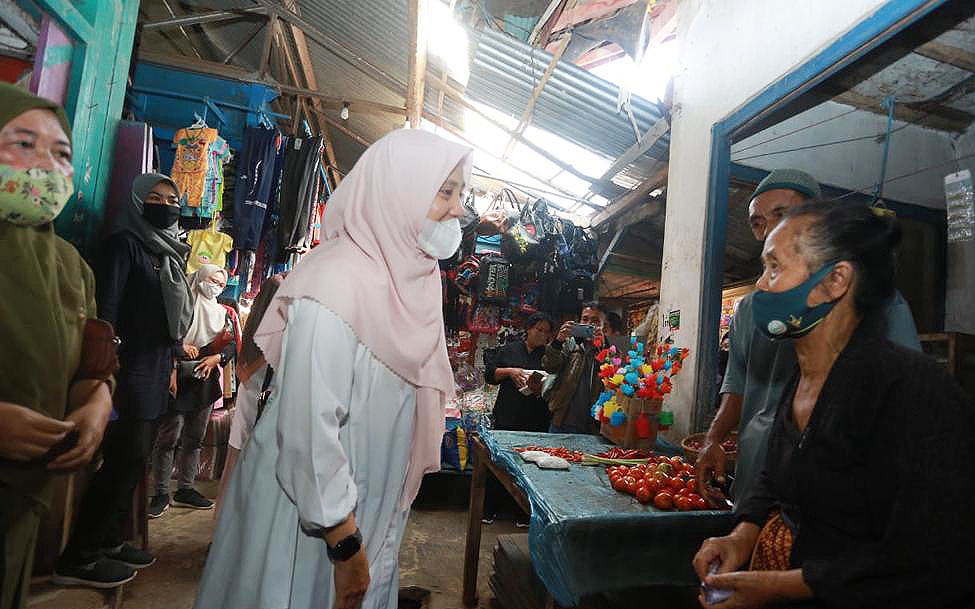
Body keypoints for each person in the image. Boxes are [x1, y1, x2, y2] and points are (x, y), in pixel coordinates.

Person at [193, 128, 471, 609]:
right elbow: (308, 429)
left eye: (460, 194)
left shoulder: (417, 283)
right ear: (397, 189)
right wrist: (345, 543)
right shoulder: (334, 282)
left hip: (370, 505)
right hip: (310, 519)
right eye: (445, 192)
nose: (458, 209)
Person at [692, 202, 975, 609]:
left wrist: (779, 587)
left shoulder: (912, 390)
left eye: (774, 267)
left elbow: (933, 557)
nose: (761, 285)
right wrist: (742, 535)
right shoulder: (802, 378)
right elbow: (779, 476)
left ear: (835, 281)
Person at [695, 169, 920, 506]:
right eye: (758, 222)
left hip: (836, 499)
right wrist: (713, 439)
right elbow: (738, 385)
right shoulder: (752, 311)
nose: (771, 230)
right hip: (759, 476)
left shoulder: (876, 306)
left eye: (782, 215)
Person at [0, 84, 114, 609]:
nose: (45, 164)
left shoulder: (72, 267)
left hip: (21, 508)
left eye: (61, 153)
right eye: (23, 143)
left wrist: (96, 403)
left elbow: (92, 365)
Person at [55, 172, 193, 587]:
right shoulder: (124, 244)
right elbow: (108, 309)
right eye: (155, 197)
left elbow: (171, 324)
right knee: (122, 457)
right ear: (137, 201)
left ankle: (111, 539)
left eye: (172, 199)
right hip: (126, 369)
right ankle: (78, 557)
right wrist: (104, 371)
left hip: (154, 369)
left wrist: (170, 365)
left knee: (137, 458)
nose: (166, 204)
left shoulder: (169, 253)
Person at [149, 264, 235, 516]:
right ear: (199, 278)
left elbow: (232, 347)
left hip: (204, 379)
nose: (216, 287)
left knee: (194, 438)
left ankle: (185, 488)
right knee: (168, 438)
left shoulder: (222, 313)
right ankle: (161, 492)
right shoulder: (180, 307)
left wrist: (216, 358)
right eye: (212, 280)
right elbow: (164, 337)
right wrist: (179, 348)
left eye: (221, 284)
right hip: (177, 375)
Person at [214, 272, 287, 518]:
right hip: (256, 418)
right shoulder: (271, 337)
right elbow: (247, 375)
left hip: (250, 416)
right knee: (243, 478)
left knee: (236, 474)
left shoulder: (254, 329)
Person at [482, 312, 555, 525]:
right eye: (537, 329)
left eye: (545, 332)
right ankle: (489, 508)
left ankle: (522, 511)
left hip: (536, 417)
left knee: (529, 465)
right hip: (508, 413)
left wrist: (541, 385)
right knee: (499, 461)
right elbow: (490, 375)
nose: (541, 335)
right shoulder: (509, 349)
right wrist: (511, 371)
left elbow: (555, 384)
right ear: (529, 329)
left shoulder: (550, 356)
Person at [542, 303, 606, 434]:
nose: (589, 324)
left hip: (593, 425)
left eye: (595, 321)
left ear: (603, 325)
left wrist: (603, 348)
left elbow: (613, 381)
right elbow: (550, 366)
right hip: (562, 421)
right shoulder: (569, 345)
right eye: (585, 319)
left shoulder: (609, 351)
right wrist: (558, 341)